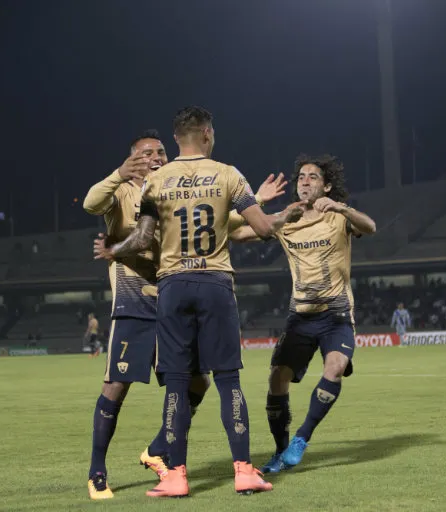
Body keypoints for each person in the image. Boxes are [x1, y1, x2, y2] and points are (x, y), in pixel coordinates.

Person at [94, 106, 304, 497]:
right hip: (215, 284)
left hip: (172, 286)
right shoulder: (229, 174)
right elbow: (259, 228)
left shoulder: (156, 181)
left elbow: (142, 239)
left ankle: (175, 476)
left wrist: (114, 250)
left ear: (176, 139)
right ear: (207, 134)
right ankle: (243, 470)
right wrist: (285, 217)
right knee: (227, 380)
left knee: (175, 383)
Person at [229, 153, 376, 473]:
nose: (305, 181)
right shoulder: (285, 218)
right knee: (276, 381)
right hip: (301, 318)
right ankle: (281, 451)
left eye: (313, 177)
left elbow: (371, 226)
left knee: (335, 368)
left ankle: (301, 438)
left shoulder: (339, 217)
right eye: (302, 177)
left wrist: (341, 206)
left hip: (336, 316)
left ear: (326, 186)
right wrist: (255, 202)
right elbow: (234, 234)